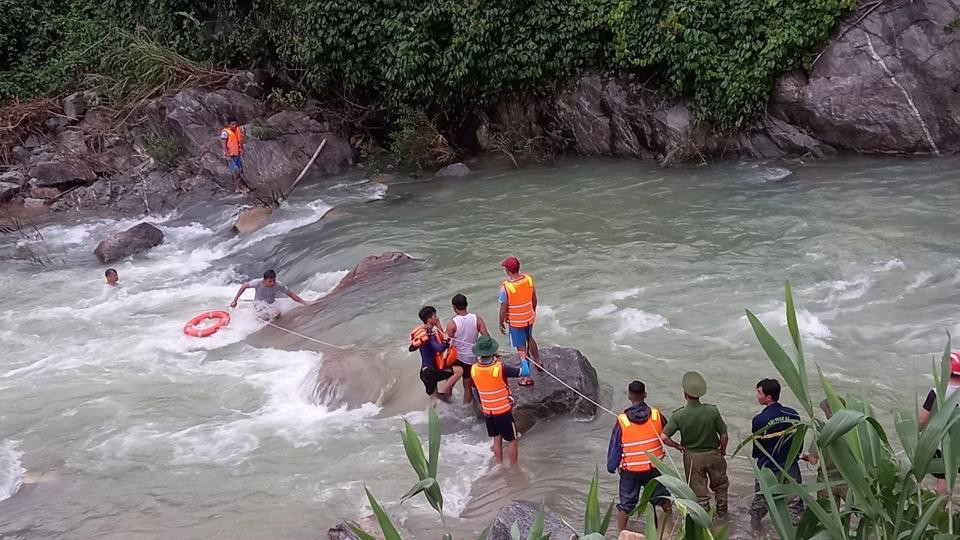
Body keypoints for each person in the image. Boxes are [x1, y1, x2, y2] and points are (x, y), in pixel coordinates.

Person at [661, 371, 729, 518]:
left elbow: (664, 437)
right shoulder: (712, 411)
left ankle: (705, 522)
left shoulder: (678, 415)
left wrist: (677, 446)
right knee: (721, 487)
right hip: (713, 454)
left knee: (700, 494)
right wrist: (722, 450)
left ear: (685, 394)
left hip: (693, 458)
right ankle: (722, 516)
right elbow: (724, 435)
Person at [607, 380, 672, 533]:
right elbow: (667, 433)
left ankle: (621, 534)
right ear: (645, 395)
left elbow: (615, 447)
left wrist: (611, 467)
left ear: (629, 396)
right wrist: (677, 445)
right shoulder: (656, 415)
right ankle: (669, 529)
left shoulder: (622, 420)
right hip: (652, 467)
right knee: (664, 499)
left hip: (630, 471)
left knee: (626, 505)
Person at [750, 378, 804, 528]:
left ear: (768, 397)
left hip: (767, 469)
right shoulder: (793, 415)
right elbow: (798, 441)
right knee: (794, 508)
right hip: (790, 468)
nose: (757, 395)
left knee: (759, 507)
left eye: (759, 392)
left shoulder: (759, 420)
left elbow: (756, 451)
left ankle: (755, 534)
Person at [471, 335, 528, 466]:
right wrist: (522, 358)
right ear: (492, 351)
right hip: (503, 412)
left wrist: (481, 404)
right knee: (512, 440)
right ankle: (514, 468)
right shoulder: (500, 367)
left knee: (497, 439)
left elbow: (475, 390)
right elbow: (525, 372)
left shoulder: (474, 369)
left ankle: (499, 465)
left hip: (488, 411)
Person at [918, 351, 960, 495]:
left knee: (944, 477)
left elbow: (922, 420)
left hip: (944, 444)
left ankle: (941, 511)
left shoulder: (937, 392)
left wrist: (917, 434)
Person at [498, 256, 539, 386]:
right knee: (530, 338)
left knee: (521, 349)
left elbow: (503, 309)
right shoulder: (528, 279)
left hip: (516, 322)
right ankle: (538, 361)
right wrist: (532, 311)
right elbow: (534, 299)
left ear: (508, 270)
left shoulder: (506, 288)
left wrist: (501, 322)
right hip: (529, 317)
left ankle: (526, 377)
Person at [410, 306, 463, 405]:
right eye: (434, 316)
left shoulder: (421, 334)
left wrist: (438, 326)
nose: (437, 317)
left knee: (433, 402)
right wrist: (446, 341)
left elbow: (411, 348)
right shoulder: (430, 335)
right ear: (429, 319)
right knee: (459, 371)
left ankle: (434, 416)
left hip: (424, 372)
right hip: (431, 371)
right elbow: (440, 348)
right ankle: (443, 393)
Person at [444, 294, 489, 404]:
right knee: (467, 387)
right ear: (466, 305)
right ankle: (467, 410)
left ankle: (448, 407)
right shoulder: (477, 319)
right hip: (471, 358)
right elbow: (486, 338)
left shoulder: (452, 323)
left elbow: (446, 341)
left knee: (449, 384)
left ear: (454, 307)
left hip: (456, 357)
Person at [801, 398, 847, 505]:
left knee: (828, 515)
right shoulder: (852, 431)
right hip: (848, 480)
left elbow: (813, 460)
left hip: (826, 481)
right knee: (856, 511)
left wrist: (806, 457)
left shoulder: (821, 431)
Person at [229, 269, 309, 320]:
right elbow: (244, 286)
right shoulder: (257, 282)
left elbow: (291, 294)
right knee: (266, 317)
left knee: (277, 314)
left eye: (274, 280)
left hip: (272, 303)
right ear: (264, 280)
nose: (272, 283)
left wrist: (304, 302)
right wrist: (235, 301)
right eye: (270, 281)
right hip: (259, 304)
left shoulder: (278, 284)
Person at [220, 115, 250, 193]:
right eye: (232, 124)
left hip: (237, 154)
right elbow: (223, 144)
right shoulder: (225, 132)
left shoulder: (237, 130)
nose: (234, 125)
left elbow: (240, 140)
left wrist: (241, 148)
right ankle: (238, 187)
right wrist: (227, 155)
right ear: (229, 124)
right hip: (230, 155)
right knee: (236, 171)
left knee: (239, 171)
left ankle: (239, 187)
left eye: (235, 124)